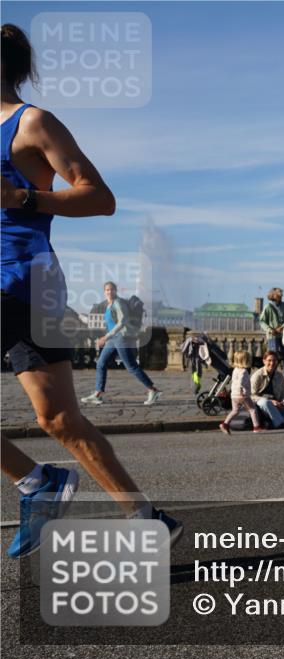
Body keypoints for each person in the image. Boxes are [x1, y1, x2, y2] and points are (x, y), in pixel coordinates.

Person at [1, 23, 180, 557]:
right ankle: (143, 516)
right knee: (58, 419)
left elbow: (100, 198)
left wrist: (22, 198)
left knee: (59, 418)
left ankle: (37, 483)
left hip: (22, 280)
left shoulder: (32, 123)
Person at [79, 281, 163, 405]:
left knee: (131, 366)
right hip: (113, 339)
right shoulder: (108, 305)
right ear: (104, 292)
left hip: (121, 338)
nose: (109, 292)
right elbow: (110, 323)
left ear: (115, 291)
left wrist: (105, 337)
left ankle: (153, 390)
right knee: (101, 363)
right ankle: (98, 394)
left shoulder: (118, 303)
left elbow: (122, 322)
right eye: (107, 290)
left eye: (112, 289)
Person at [251, 350, 284, 428]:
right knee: (265, 402)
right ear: (264, 361)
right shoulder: (257, 376)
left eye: (274, 361)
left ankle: (272, 422)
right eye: (269, 360)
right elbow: (251, 396)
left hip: (278, 406)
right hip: (263, 407)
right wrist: (271, 402)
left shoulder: (279, 376)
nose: (272, 363)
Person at [219, 350, 263, 434]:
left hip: (234, 395)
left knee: (235, 410)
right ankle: (256, 427)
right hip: (243, 395)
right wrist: (242, 392)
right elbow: (240, 383)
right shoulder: (244, 372)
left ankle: (225, 424)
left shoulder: (235, 370)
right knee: (252, 409)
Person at [260, 287, 284, 377]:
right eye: (279, 295)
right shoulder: (268, 307)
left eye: (281, 295)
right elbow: (262, 321)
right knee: (273, 357)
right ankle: (272, 375)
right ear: (274, 295)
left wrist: (283, 327)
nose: (281, 296)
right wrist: (271, 330)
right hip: (272, 336)